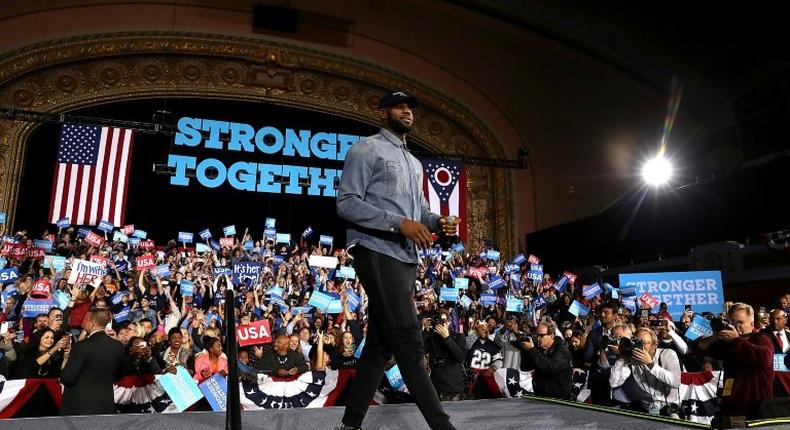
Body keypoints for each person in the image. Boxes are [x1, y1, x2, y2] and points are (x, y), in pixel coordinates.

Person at [335, 90, 458, 430]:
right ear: (382, 113)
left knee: (379, 345)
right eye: (400, 106)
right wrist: (398, 223)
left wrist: (437, 222)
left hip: (405, 257)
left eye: (410, 108)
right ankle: (443, 426)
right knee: (408, 337)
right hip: (375, 250)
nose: (408, 112)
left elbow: (418, 209)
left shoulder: (415, 162)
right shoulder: (365, 149)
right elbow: (346, 203)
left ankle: (350, 424)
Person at [695, 302, 774, 424]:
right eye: (732, 322)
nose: (736, 326)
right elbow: (698, 348)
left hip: (755, 410)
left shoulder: (761, 338)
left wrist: (736, 340)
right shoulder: (728, 343)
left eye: (740, 322)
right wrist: (714, 337)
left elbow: (764, 359)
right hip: (731, 409)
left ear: (752, 324)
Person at [60, 309, 126, 415]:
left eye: (86, 320)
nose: (83, 323)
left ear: (93, 323)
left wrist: (65, 359)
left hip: (79, 407)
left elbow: (68, 378)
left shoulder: (81, 346)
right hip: (105, 404)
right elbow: (119, 375)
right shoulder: (118, 346)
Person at [609, 327, 681, 415]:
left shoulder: (667, 354)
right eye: (637, 342)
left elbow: (676, 382)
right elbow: (614, 383)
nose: (640, 347)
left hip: (670, 408)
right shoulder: (633, 359)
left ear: (654, 345)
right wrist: (621, 358)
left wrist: (650, 365)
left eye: (644, 343)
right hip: (646, 408)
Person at [521, 321, 573, 400]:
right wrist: (526, 351)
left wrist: (532, 350)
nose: (538, 338)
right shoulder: (538, 348)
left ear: (551, 335)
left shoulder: (562, 350)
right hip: (541, 395)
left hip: (558, 399)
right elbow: (525, 367)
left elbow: (550, 367)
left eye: (541, 335)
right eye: (537, 335)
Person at [425, 309, 467, 401]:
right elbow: (419, 350)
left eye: (443, 321)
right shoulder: (431, 338)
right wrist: (425, 331)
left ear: (448, 321)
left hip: (453, 389)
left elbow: (461, 358)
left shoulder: (458, 337)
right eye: (437, 320)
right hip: (435, 389)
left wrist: (447, 338)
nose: (440, 323)